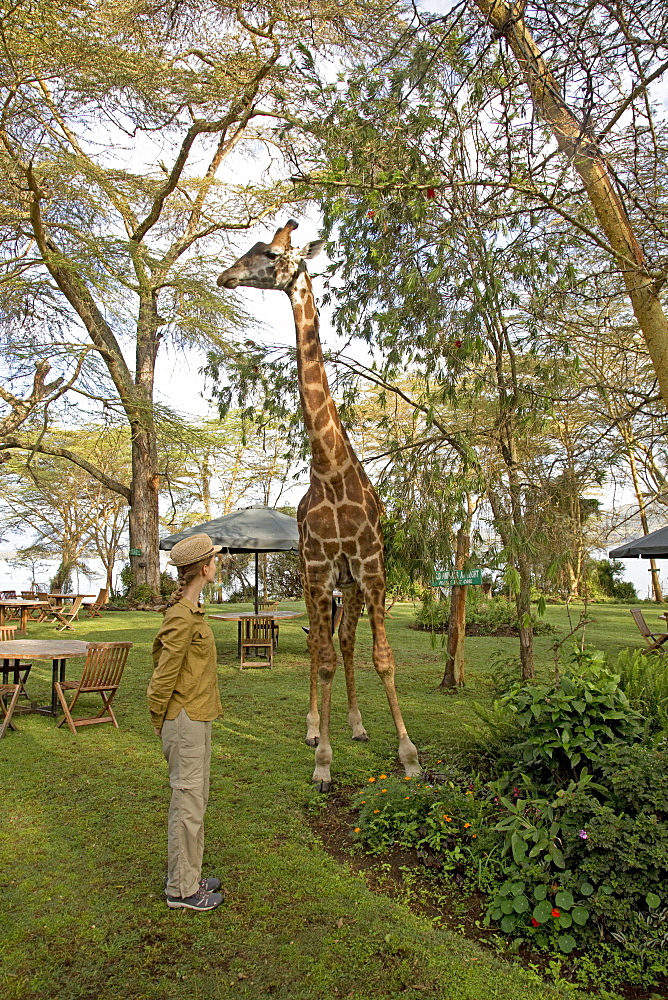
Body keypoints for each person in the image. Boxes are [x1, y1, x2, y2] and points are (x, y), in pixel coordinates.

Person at [147, 532, 224, 912]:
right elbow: (162, 674)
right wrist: (159, 718)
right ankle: (181, 889)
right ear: (205, 568)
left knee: (197, 798)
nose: (218, 564)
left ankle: (189, 873)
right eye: (215, 560)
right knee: (188, 802)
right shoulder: (180, 618)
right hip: (184, 719)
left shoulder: (191, 612)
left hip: (198, 715)